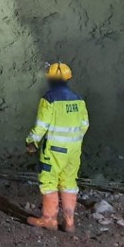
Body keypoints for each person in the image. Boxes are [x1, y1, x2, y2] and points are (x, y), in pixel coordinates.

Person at [25, 62, 90, 233]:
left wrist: (31, 142)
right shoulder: (78, 99)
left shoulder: (49, 99)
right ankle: (69, 222)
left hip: (54, 151)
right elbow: (85, 124)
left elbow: (41, 126)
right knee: (69, 182)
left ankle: (49, 220)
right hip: (74, 150)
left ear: (51, 79)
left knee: (49, 182)